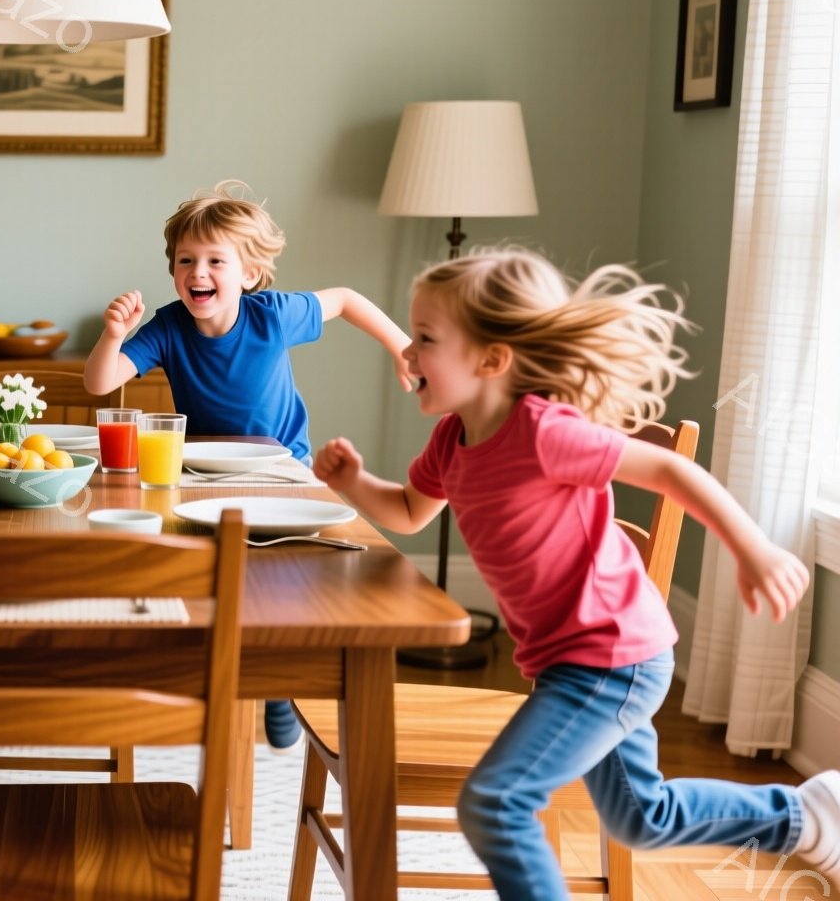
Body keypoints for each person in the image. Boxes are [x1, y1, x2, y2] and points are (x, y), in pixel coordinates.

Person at [311, 247, 832, 898]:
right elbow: (411, 511)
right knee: (644, 817)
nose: (407, 354)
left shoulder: (542, 431)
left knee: (494, 804)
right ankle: (808, 818)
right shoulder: (451, 439)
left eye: (425, 339)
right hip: (571, 660)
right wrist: (355, 482)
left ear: (492, 360)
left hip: (610, 656)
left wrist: (753, 549)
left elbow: (669, 470)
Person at [83, 179, 412, 753]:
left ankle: (281, 684)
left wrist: (401, 346)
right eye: (186, 260)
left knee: (287, 579)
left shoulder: (273, 316)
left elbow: (347, 301)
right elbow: (100, 382)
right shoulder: (166, 327)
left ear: (249, 275)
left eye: (215, 260)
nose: (198, 272)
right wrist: (114, 335)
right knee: (213, 578)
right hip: (199, 478)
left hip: (285, 470)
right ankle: (208, 675)